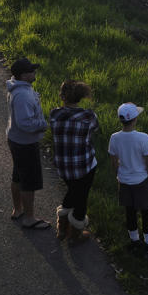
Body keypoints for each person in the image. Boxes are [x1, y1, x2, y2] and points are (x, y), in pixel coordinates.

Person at [50, 80, 99, 243]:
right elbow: (95, 129)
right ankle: (75, 235)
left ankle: (62, 227)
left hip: (63, 166)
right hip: (83, 166)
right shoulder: (88, 116)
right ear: (80, 97)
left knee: (72, 191)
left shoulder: (54, 114)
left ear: (62, 97)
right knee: (81, 197)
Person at [6, 57, 50, 230]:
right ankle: (29, 218)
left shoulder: (16, 86)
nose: (34, 72)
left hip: (15, 138)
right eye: (32, 71)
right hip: (25, 143)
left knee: (17, 175)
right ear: (24, 75)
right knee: (28, 180)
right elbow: (25, 123)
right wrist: (44, 125)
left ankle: (18, 209)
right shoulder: (23, 95)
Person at [108, 102, 148, 256]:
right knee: (146, 212)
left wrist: (118, 175)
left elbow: (114, 162)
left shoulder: (114, 138)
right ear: (134, 119)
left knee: (130, 211)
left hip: (124, 180)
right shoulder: (143, 138)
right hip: (142, 180)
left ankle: (134, 241)